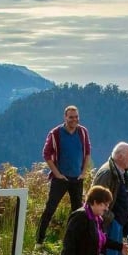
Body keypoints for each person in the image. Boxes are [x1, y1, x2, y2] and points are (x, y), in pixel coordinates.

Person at [36, 105, 91, 245]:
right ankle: (39, 241)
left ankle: (73, 242)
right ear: (65, 117)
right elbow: (46, 154)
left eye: (76, 117)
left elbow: (87, 153)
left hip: (77, 179)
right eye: (71, 117)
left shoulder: (83, 132)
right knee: (50, 209)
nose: (74, 120)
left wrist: (84, 173)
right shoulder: (55, 133)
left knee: (78, 213)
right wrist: (57, 174)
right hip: (60, 179)